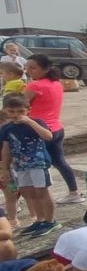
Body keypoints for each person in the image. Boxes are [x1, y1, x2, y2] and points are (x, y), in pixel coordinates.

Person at [23, 54, 82, 204]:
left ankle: (39, 198)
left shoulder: (35, 86)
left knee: (34, 165)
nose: (28, 71)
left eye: (33, 68)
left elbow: (18, 105)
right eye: (27, 67)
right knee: (59, 161)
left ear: (45, 68)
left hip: (39, 130)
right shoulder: (56, 83)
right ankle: (74, 192)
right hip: (57, 128)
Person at [0, 93, 60, 238]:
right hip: (20, 165)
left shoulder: (37, 122)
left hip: (38, 163)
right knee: (28, 193)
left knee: (42, 192)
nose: (16, 115)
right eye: (11, 111)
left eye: (20, 111)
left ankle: (50, 221)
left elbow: (48, 136)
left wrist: (30, 122)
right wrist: (5, 167)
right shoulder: (7, 128)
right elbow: (6, 149)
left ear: (28, 110)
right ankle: (39, 219)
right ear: (5, 110)